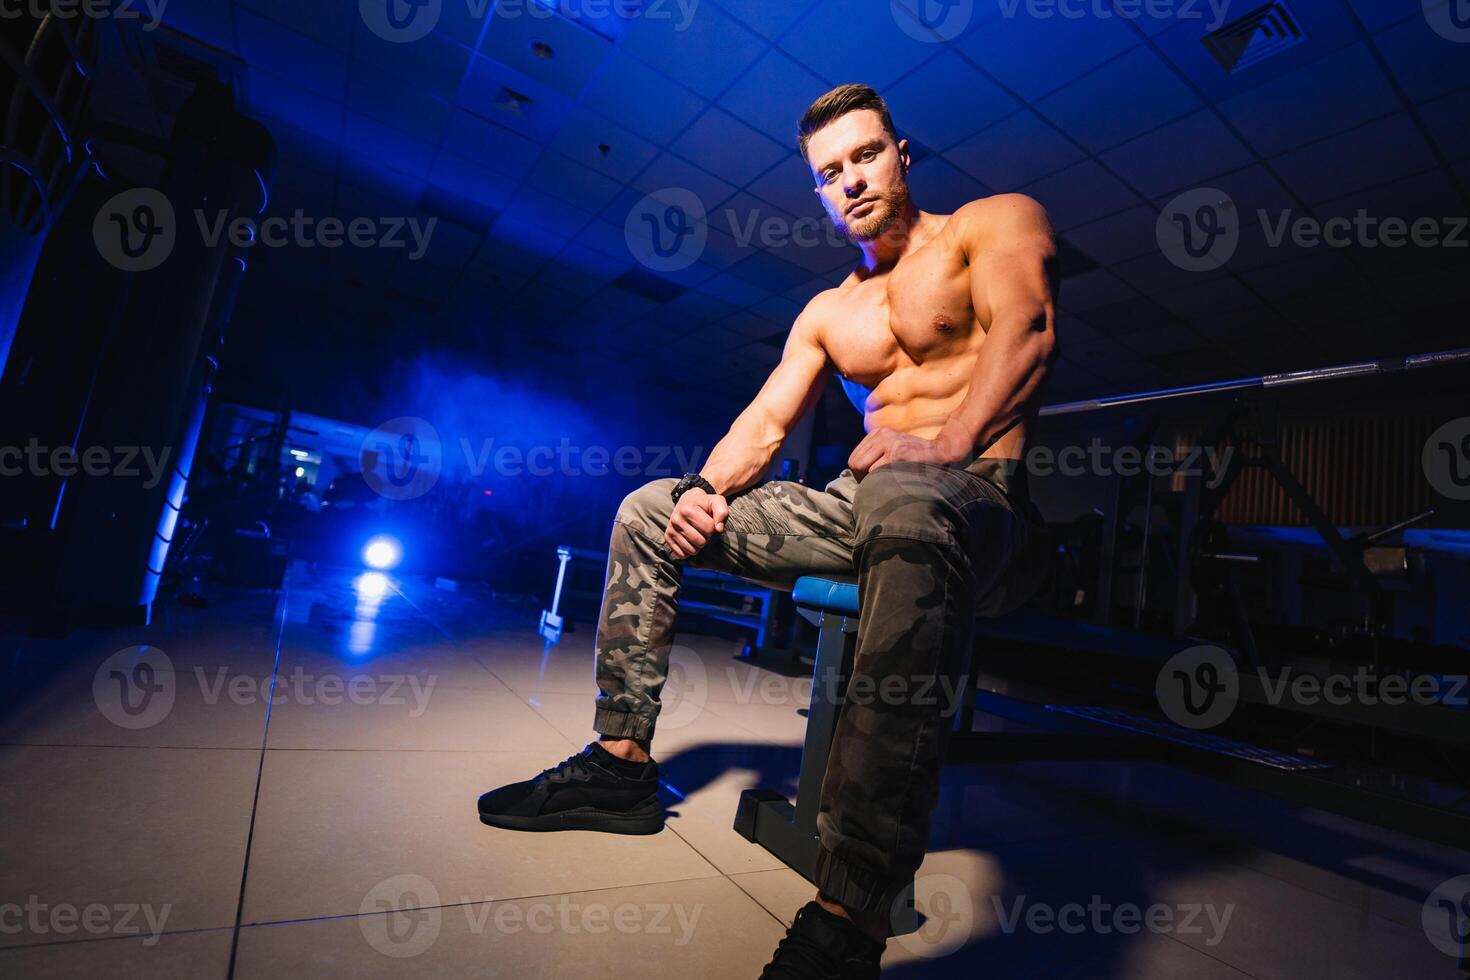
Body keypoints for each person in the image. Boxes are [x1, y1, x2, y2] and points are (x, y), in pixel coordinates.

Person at [478, 83, 1059, 978]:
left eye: (866, 155)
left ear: (903, 155)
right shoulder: (830, 312)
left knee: (907, 500)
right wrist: (707, 487)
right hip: (864, 503)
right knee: (650, 509)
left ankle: (852, 906)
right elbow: (765, 421)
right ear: (819, 195)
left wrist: (941, 443)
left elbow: (1029, 329)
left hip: (982, 500)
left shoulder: (994, 222)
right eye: (830, 173)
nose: (852, 179)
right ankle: (621, 761)